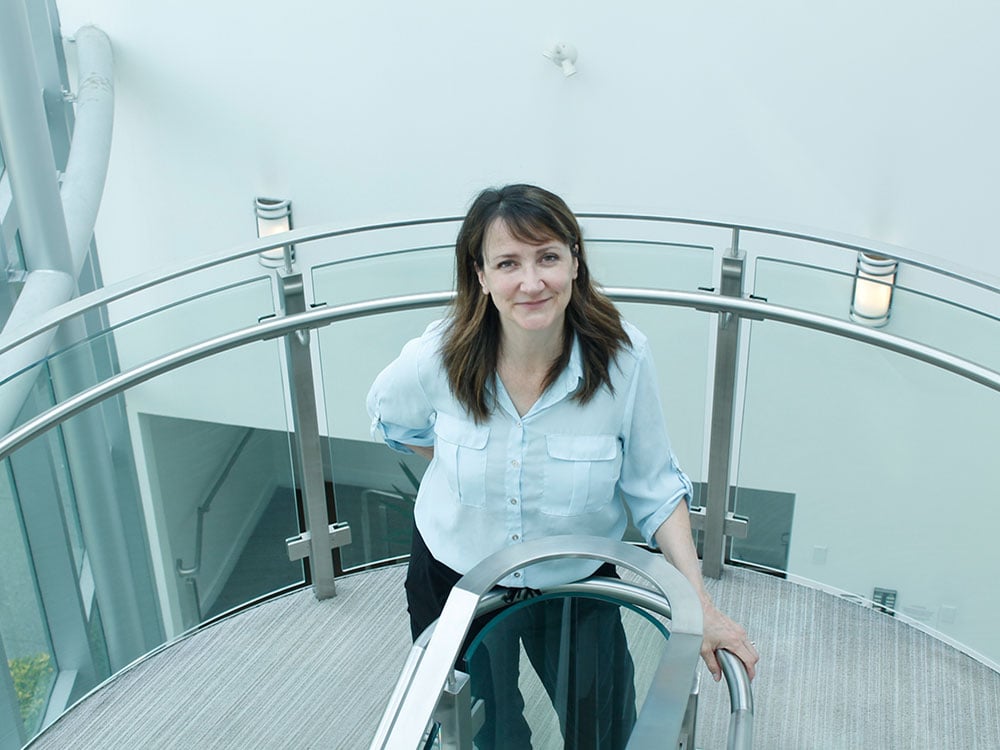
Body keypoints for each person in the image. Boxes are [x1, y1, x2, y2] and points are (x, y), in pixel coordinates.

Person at [367, 184, 759, 746]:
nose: (532, 282)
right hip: (457, 579)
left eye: (548, 257)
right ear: (480, 275)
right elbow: (391, 422)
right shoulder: (438, 356)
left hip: (578, 584)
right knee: (489, 731)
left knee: (601, 729)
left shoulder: (624, 359)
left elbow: (653, 487)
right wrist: (462, 465)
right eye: (508, 263)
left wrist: (701, 606)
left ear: (575, 260)